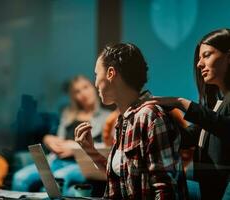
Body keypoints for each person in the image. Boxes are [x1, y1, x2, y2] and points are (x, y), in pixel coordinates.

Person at [75, 43, 188, 199]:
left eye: (96, 75)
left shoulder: (149, 116)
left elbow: (165, 189)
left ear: (110, 73)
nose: (95, 84)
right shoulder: (125, 119)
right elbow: (121, 175)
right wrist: (91, 151)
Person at [142, 28, 230, 200]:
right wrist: (158, 119)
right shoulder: (216, 104)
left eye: (207, 55)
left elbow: (225, 126)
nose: (199, 64)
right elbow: (188, 137)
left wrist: (181, 103)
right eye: (199, 58)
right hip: (206, 187)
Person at [12, 75, 110, 194]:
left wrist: (75, 148)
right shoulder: (68, 114)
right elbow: (59, 138)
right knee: (19, 178)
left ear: (94, 88)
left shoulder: (107, 117)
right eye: (77, 91)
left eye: (86, 87)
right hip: (56, 160)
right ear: (74, 97)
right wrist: (48, 140)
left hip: (80, 164)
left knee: (59, 178)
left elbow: (107, 148)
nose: (83, 93)